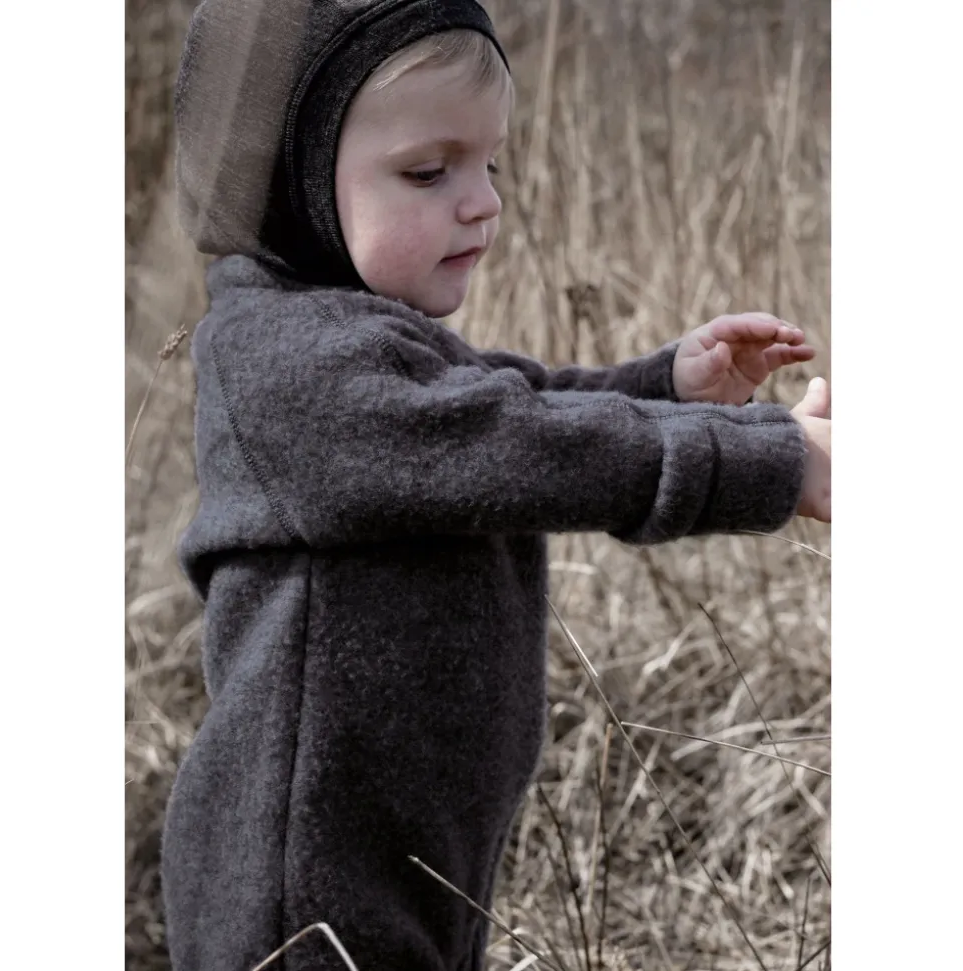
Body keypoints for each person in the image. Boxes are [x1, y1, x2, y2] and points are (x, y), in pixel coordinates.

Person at [162, 2, 831, 969]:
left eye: (492, 165)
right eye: (428, 172)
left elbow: (514, 404)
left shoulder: (359, 336)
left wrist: (666, 389)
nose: (482, 203)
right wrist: (774, 459)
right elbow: (514, 440)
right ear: (286, 184)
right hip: (306, 897)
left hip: (404, 855)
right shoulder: (287, 363)